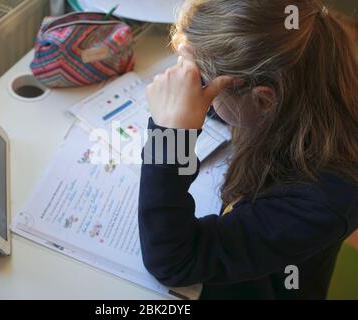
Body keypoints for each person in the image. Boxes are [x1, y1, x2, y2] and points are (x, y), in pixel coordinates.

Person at [138, 0, 358, 299]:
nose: (191, 86)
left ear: (264, 101)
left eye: (200, 81)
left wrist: (170, 138)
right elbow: (234, 90)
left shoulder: (322, 200)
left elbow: (174, 262)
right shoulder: (307, 72)